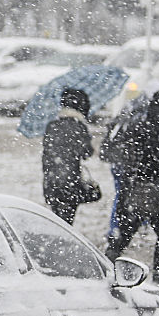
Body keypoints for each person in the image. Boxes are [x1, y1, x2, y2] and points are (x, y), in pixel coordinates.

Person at [104, 89, 159, 285]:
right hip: (152, 190)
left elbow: (129, 157)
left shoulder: (137, 124)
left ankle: (104, 267)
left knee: (124, 234)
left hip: (136, 188)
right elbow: (155, 161)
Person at [42, 87, 100, 225]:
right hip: (70, 180)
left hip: (52, 180)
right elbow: (87, 153)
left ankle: (57, 239)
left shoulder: (52, 125)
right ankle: (62, 241)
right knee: (68, 219)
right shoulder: (79, 126)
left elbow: (47, 152)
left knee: (57, 217)